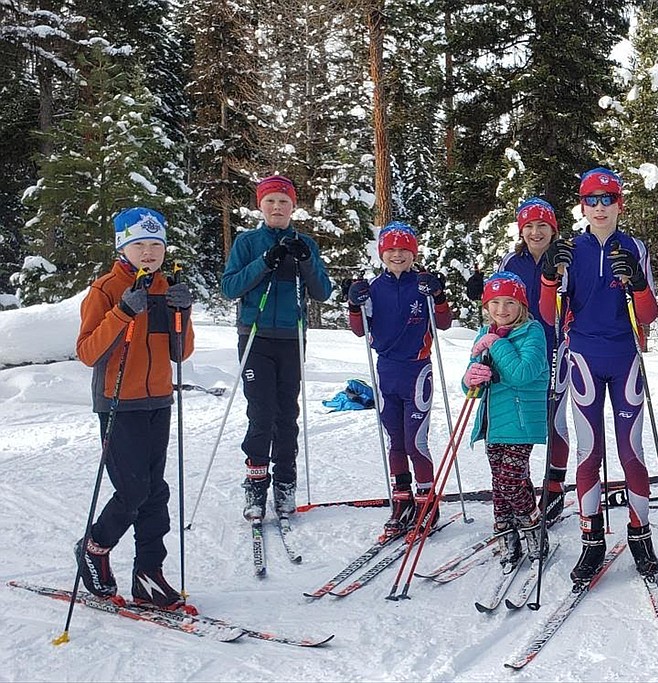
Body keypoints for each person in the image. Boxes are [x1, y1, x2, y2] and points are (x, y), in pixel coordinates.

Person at [539, 167, 658, 583]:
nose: (599, 207)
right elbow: (547, 315)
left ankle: (640, 535)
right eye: (591, 200)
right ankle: (591, 541)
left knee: (632, 451)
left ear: (619, 204)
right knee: (589, 451)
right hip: (585, 358)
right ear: (582, 205)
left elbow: (648, 315)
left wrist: (639, 283)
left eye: (607, 199)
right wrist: (549, 276)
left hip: (626, 357)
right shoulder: (572, 249)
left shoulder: (634, 247)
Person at [75, 207, 195, 608]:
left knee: (155, 491)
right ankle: (94, 548)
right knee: (132, 489)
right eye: (139, 244)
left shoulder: (166, 285)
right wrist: (123, 311)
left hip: (158, 399)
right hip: (117, 403)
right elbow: (88, 352)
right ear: (123, 247)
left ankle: (148, 572)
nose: (148, 252)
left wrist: (183, 312)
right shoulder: (105, 288)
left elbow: (181, 352)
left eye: (155, 244)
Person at [222, 175, 333, 521]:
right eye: (270, 201)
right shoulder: (247, 241)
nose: (276, 208)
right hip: (254, 337)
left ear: (293, 207)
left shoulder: (305, 242)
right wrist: (264, 262)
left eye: (283, 202)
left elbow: (322, 292)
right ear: (260, 205)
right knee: (260, 412)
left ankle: (285, 483)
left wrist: (305, 261)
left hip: (290, 337)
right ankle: (255, 486)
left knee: (286, 414)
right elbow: (230, 287)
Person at [347, 222, 451, 539]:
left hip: (417, 371)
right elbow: (359, 330)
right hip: (386, 372)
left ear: (413, 253)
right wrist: (354, 303)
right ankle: (402, 500)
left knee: (415, 442)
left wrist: (438, 294)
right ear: (382, 253)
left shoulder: (421, 284)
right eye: (390, 249)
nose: (397, 254)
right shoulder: (373, 288)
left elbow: (444, 323)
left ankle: (426, 502)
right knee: (395, 441)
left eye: (404, 249)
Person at [462, 271, 551, 564]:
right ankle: (505, 530)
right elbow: (471, 388)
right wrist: (470, 377)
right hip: (492, 421)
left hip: (521, 421)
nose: (502, 310)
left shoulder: (532, 332)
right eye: (495, 302)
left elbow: (522, 374)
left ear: (521, 305)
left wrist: (494, 344)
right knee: (500, 484)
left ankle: (532, 524)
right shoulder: (485, 332)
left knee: (510, 480)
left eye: (510, 302)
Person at [499, 197, 571, 523]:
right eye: (529, 226)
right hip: (522, 351)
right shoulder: (511, 261)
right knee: (522, 420)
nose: (535, 232)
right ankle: (522, 487)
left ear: (553, 229)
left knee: (554, 418)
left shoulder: (567, 259)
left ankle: (554, 486)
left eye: (542, 225)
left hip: (558, 347)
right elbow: (499, 303)